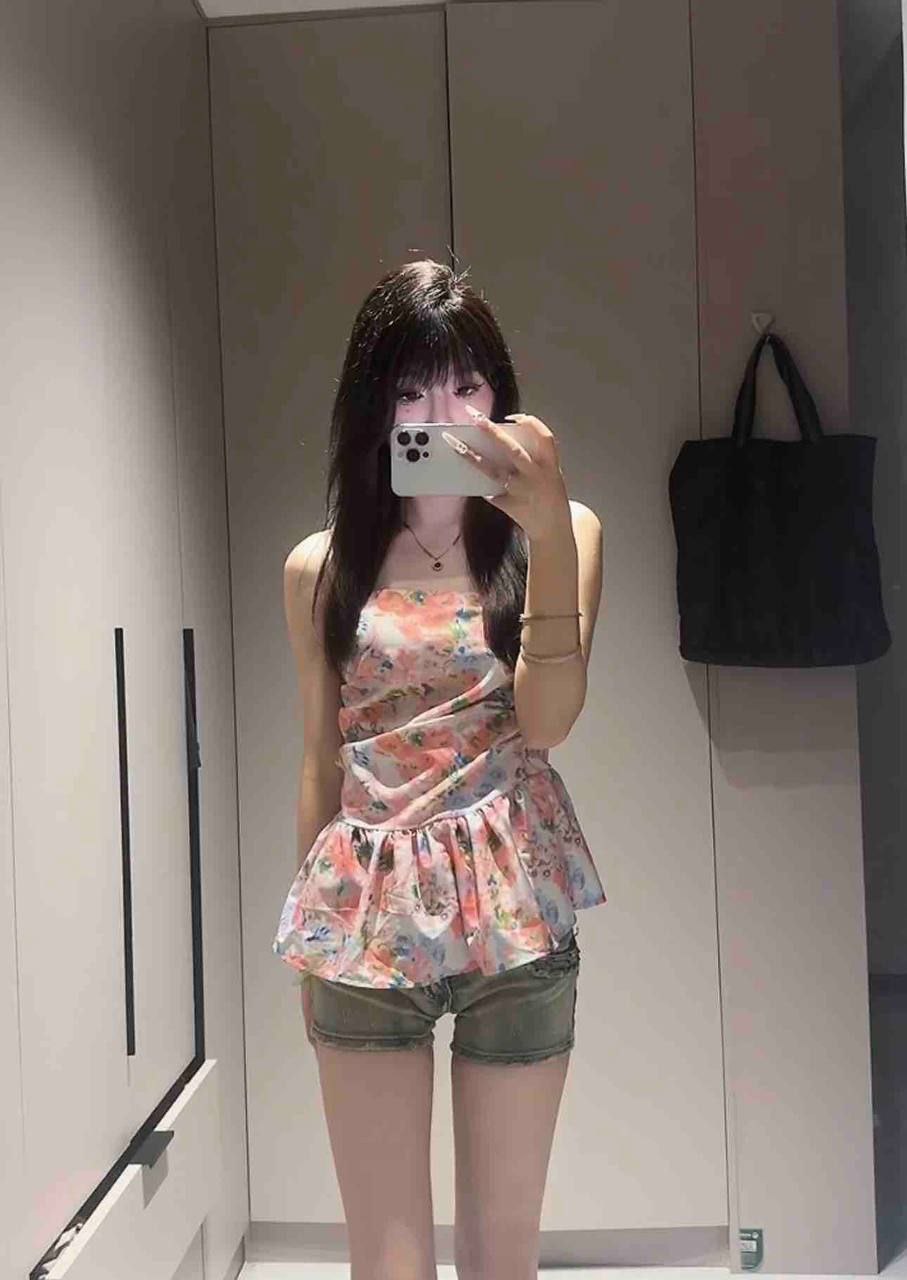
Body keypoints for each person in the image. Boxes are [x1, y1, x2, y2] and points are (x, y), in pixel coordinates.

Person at [272, 259, 607, 1279]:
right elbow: (320, 756)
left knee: (503, 1259)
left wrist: (545, 528)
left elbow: (546, 723)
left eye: (466, 385)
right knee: (387, 1265)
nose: (442, 416)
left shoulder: (563, 533)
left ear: (500, 396)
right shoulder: (321, 566)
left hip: (514, 909)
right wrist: (308, 943)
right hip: (364, 914)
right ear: (374, 410)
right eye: (410, 390)